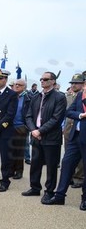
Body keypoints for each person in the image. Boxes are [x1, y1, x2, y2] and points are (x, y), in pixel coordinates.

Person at [22, 71, 67, 203]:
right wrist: (33, 130)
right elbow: (29, 115)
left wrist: (40, 131)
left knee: (51, 166)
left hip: (51, 137)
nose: (42, 81)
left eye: (45, 79)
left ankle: (49, 191)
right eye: (41, 79)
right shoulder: (36, 97)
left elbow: (56, 119)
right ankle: (35, 188)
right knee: (35, 164)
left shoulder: (59, 97)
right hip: (36, 135)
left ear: (53, 81)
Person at [43, 77, 86, 210]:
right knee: (66, 164)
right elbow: (69, 111)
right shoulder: (80, 95)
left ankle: (85, 199)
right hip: (75, 137)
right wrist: (80, 115)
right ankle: (60, 195)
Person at [8, 79, 31, 179]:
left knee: (19, 151)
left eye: (19, 85)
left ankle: (19, 171)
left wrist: (26, 127)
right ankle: (11, 170)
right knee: (10, 150)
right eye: (15, 84)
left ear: (24, 87)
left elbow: (31, 114)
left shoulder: (28, 98)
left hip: (20, 127)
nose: (16, 86)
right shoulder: (10, 96)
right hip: (8, 127)